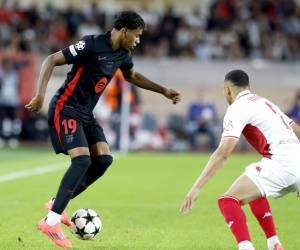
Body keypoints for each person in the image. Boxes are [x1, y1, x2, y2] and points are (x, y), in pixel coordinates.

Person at [25, 11, 181, 248]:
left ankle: (56, 203)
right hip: (66, 108)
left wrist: (163, 90)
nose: (138, 41)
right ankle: (51, 222)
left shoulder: (123, 54)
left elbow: (132, 76)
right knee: (81, 161)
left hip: (86, 114)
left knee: (104, 160)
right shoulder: (90, 44)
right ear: (125, 31)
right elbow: (50, 60)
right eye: (137, 36)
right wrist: (39, 95)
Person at [180, 69, 300, 250]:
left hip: (281, 162)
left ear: (227, 89)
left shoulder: (237, 108)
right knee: (253, 186)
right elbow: (297, 130)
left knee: (228, 201)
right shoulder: (265, 102)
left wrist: (196, 188)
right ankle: (274, 243)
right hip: (294, 160)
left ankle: (246, 247)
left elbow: (223, 153)